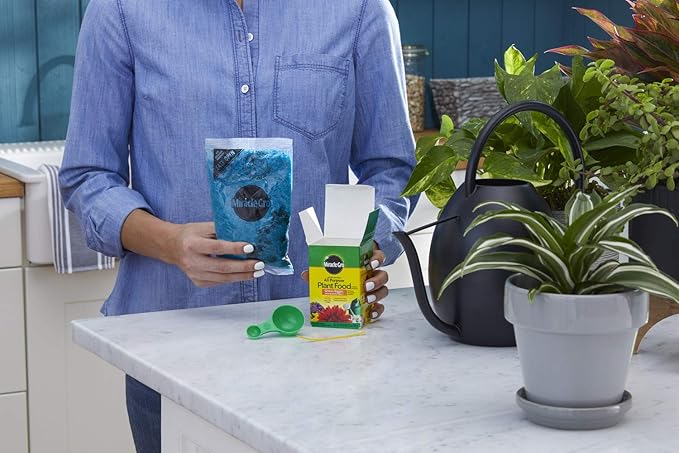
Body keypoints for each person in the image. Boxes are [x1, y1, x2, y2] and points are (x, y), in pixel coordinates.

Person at [60, 0, 416, 451]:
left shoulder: (360, 9)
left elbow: (392, 169)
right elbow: (88, 175)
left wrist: (364, 252)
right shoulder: (121, 10)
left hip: (318, 344)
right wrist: (171, 243)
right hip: (170, 347)